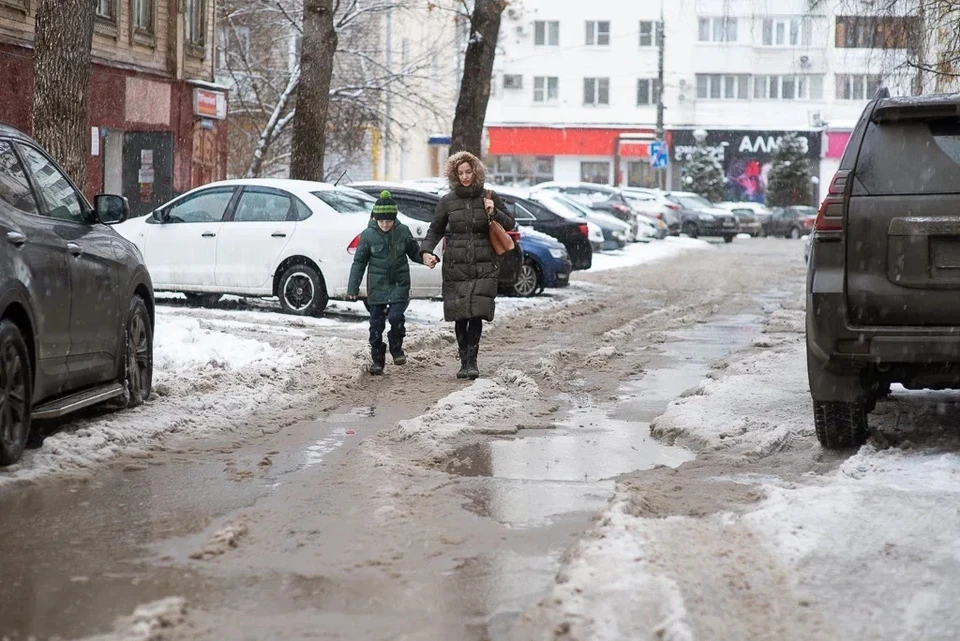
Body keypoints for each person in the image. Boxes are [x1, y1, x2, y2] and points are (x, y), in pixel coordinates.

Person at [420, 151, 515, 380]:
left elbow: (511, 223)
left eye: (468, 172)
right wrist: (425, 251)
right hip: (457, 265)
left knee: (477, 314)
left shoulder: (489, 196)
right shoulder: (448, 201)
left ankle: (472, 362)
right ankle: (463, 361)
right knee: (461, 314)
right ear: (454, 175)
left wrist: (495, 211)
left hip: (484, 264)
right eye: (460, 173)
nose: (464, 177)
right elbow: (436, 229)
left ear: (476, 172)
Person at [347, 190, 433, 375]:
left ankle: (396, 346)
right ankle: (378, 360)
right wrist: (353, 287)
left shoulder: (402, 231)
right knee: (376, 324)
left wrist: (425, 258)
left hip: (399, 284)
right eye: (381, 221)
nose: (385, 225)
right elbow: (359, 263)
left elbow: (413, 251)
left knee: (395, 317)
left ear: (394, 219)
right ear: (375, 218)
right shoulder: (368, 235)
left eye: (389, 221)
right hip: (377, 286)